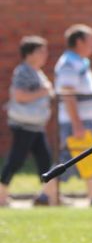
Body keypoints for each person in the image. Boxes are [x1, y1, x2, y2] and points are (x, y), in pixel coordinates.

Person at [0, 36, 57, 206]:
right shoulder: (23, 71)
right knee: (16, 159)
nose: (45, 55)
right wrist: (44, 91)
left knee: (45, 160)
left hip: (36, 125)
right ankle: (1, 195)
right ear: (29, 54)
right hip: (24, 125)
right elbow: (19, 95)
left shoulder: (37, 72)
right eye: (41, 51)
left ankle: (48, 196)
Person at [55, 24, 92, 205]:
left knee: (84, 157)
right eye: (90, 40)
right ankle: (48, 194)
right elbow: (68, 94)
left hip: (83, 120)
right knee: (71, 159)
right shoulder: (69, 63)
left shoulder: (79, 61)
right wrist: (77, 124)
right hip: (76, 121)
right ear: (79, 41)